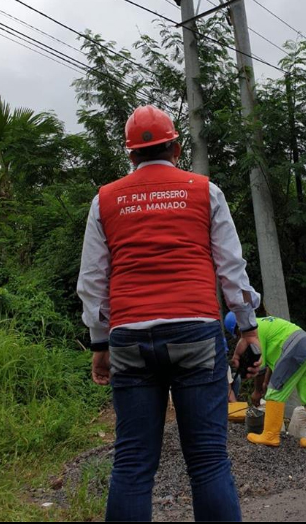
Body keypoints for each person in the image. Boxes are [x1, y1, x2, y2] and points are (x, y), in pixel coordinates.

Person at [77, 104, 262, 521]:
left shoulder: (105, 199)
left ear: (130, 156)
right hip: (195, 333)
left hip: (129, 338)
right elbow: (232, 268)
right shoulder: (204, 190)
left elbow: (92, 280)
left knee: (132, 463)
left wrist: (100, 342)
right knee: (209, 461)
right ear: (176, 147)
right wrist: (248, 330)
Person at [246, 311, 306, 452]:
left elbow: (261, 365)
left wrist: (257, 392)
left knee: (275, 392)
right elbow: (273, 361)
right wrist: (265, 383)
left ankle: (270, 435)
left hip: (295, 349)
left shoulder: (254, 330)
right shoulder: (265, 323)